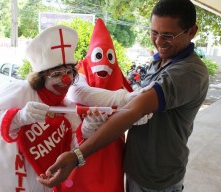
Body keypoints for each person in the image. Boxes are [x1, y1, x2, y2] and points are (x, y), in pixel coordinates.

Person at [37, 0, 209, 191]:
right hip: (136, 168)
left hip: (158, 178)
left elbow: (134, 109)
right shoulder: (160, 61)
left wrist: (77, 155)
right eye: (154, 33)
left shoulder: (188, 72)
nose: (159, 42)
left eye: (168, 35)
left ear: (191, 31)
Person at [0, 25, 106, 192]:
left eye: (69, 72)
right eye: (56, 74)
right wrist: (19, 117)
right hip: (6, 183)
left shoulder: (68, 108)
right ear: (41, 76)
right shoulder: (21, 91)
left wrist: (87, 128)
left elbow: (69, 150)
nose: (65, 80)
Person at [55, 18, 150, 192]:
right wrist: (124, 100)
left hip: (111, 151)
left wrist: (135, 112)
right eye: (98, 56)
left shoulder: (117, 75)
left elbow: (132, 114)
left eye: (109, 57)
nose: (103, 63)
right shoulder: (81, 70)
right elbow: (81, 93)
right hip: (80, 145)